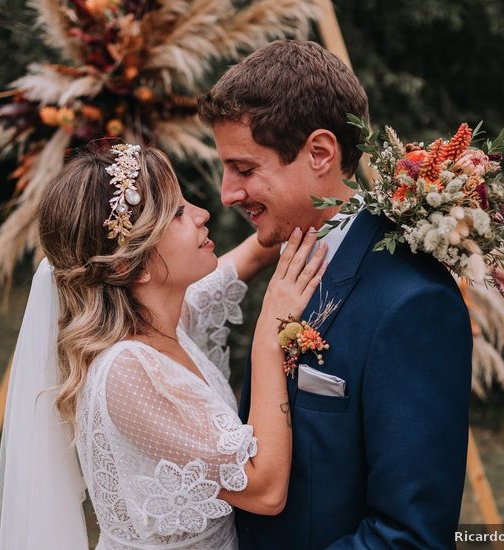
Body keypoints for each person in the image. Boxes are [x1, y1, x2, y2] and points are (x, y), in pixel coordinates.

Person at [198, 39, 473, 549]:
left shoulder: (411, 302)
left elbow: (408, 537)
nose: (226, 193)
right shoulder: (295, 252)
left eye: (244, 168)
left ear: (320, 153)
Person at [0, 142, 328, 549]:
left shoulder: (167, 319)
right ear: (127, 265)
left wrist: (318, 197)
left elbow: (257, 251)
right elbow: (265, 490)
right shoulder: (127, 372)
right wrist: (269, 340)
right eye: (179, 213)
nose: (203, 214)